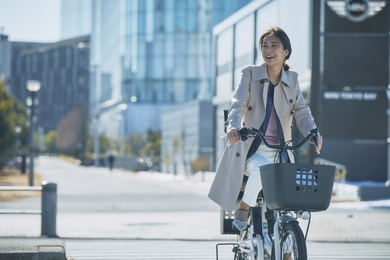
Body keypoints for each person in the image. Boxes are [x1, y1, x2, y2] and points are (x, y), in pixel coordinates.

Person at [208, 27, 322, 231]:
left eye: (274, 45)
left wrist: (313, 132)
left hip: (282, 151)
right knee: (263, 171)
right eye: (264, 46)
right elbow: (238, 103)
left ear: (286, 51)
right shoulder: (250, 74)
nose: (268, 50)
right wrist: (233, 126)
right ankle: (244, 207)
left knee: (292, 193)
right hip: (252, 150)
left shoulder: (292, 79)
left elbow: (302, 111)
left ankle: (287, 242)